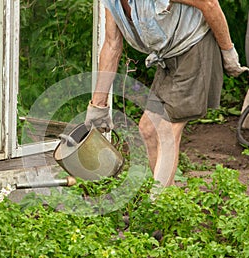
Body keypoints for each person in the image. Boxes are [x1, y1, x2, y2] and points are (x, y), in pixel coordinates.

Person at [85, 0, 248, 196]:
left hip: (195, 48)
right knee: (147, 130)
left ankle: (157, 205)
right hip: (168, 56)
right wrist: (98, 105)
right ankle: (166, 201)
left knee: (166, 130)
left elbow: (210, 3)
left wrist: (227, 52)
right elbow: (111, 45)